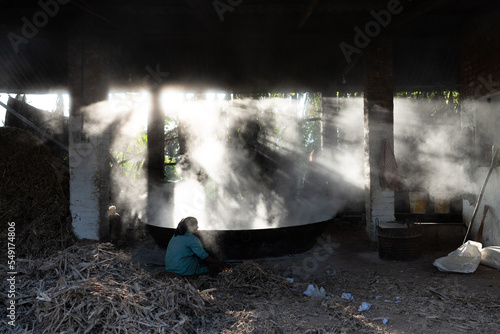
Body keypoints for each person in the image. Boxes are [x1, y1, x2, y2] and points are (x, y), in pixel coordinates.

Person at [164, 217, 229, 277]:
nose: (197, 227)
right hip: (182, 271)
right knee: (212, 268)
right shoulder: (192, 239)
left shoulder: (176, 235)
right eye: (196, 225)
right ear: (189, 227)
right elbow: (204, 256)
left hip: (170, 268)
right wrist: (219, 263)